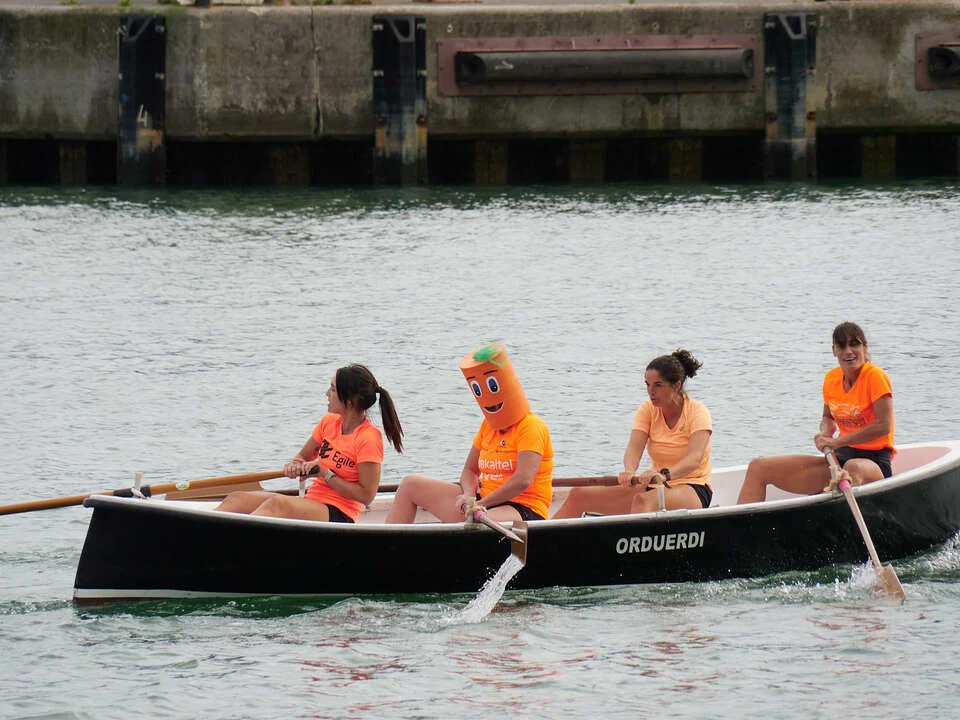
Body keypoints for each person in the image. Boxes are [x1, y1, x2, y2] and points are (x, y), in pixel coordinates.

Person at [385, 342, 553, 524]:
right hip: (484, 502)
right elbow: (469, 470)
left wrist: (482, 504)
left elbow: (523, 479)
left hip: (524, 507)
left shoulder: (531, 426)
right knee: (410, 485)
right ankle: (388, 541)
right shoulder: (488, 426)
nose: (491, 403)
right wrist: (469, 496)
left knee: (474, 521)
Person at [215, 364, 403, 522]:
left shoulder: (368, 438)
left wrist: (325, 473)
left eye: (332, 389)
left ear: (349, 402)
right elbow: (302, 457)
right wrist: (295, 465)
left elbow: (366, 496)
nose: (326, 394)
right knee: (236, 498)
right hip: (313, 501)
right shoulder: (329, 422)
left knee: (277, 505)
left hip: (339, 512)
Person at [736, 321, 895, 504]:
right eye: (841, 346)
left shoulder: (875, 376)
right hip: (839, 458)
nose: (848, 351)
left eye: (854, 344)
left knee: (853, 468)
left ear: (864, 347)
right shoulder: (831, 379)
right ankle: (740, 523)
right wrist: (825, 433)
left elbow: (883, 426)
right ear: (834, 350)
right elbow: (828, 417)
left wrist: (836, 442)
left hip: (874, 463)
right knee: (758, 467)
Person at [552, 349, 713, 518]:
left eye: (658, 385)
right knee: (579, 495)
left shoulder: (697, 411)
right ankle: (540, 534)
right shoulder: (647, 409)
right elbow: (634, 448)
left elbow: (694, 459)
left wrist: (664, 475)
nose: (651, 391)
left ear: (676, 386)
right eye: (647, 385)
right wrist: (629, 471)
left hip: (693, 486)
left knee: (642, 501)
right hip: (656, 484)